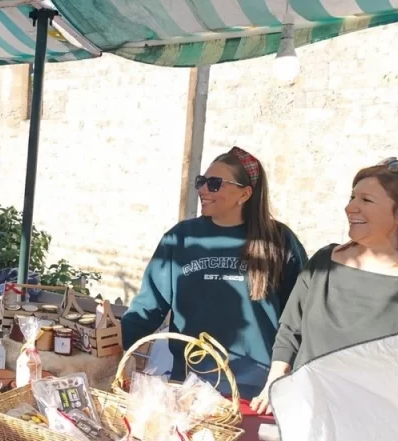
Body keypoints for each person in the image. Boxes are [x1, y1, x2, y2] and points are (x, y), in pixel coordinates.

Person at [121, 147, 308, 399]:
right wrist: (119, 346)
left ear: (244, 194)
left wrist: (287, 375)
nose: (202, 190)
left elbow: (299, 317)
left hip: (259, 391)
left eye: (214, 184)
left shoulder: (280, 241)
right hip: (189, 384)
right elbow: (148, 306)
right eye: (201, 182)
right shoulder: (181, 239)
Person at [252, 158, 398, 414]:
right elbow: (290, 331)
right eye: (352, 197)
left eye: (366, 200)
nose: (351, 207)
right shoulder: (323, 263)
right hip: (307, 413)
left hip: (380, 426)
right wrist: (274, 379)